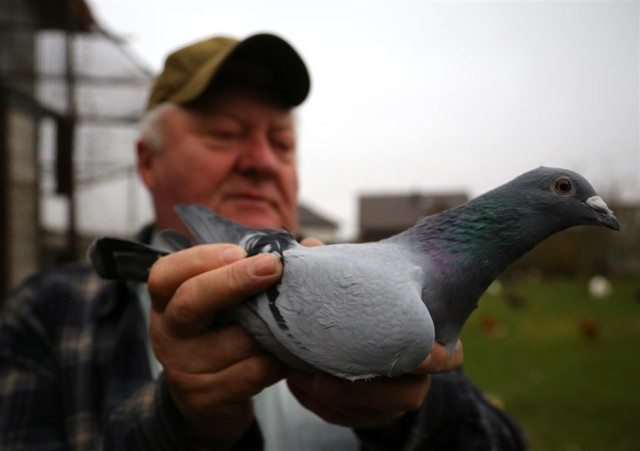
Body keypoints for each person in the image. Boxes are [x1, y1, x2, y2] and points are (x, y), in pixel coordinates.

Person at [0, 33, 526, 450]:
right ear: (147, 161)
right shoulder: (47, 316)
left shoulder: (397, 290)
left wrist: (412, 413)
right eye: (224, 134)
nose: (261, 161)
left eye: (282, 142)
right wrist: (179, 427)